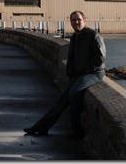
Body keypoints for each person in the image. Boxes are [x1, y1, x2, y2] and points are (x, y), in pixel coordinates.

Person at [23, 10, 106, 139]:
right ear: (71, 22)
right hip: (79, 74)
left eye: (78, 19)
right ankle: (41, 127)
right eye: (73, 20)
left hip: (94, 73)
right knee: (61, 100)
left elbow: (100, 58)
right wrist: (70, 72)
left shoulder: (94, 35)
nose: (76, 22)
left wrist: (84, 69)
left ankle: (77, 131)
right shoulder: (74, 37)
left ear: (85, 21)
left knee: (73, 94)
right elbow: (71, 57)